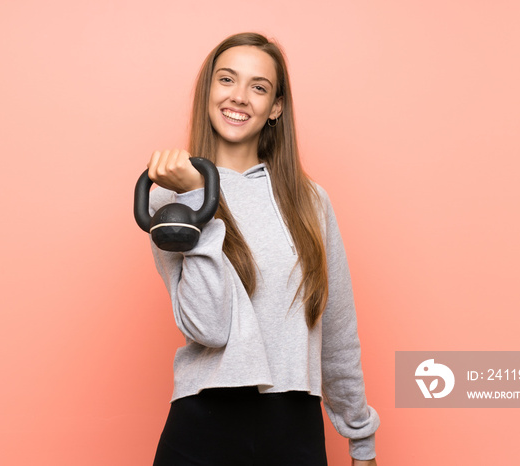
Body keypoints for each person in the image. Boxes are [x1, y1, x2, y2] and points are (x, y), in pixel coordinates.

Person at [145, 32, 380, 466]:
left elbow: (338, 333)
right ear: (208, 92)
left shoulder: (311, 202)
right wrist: (199, 198)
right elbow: (209, 327)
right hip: (203, 427)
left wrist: (359, 437)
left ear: (275, 107)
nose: (239, 97)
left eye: (258, 87)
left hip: (295, 430)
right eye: (227, 80)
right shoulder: (169, 200)